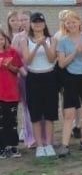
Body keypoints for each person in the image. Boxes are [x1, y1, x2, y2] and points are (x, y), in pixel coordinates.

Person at [56, 11, 82, 156]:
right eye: (68, 22)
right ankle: (65, 145)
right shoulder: (62, 41)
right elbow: (61, 64)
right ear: (65, 25)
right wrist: (74, 53)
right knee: (69, 113)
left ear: (79, 22)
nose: (71, 24)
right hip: (70, 78)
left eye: (74, 21)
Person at [18, 12, 59, 158]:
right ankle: (39, 146)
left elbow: (52, 58)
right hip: (33, 77)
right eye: (35, 22)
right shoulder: (25, 40)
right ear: (31, 24)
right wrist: (36, 46)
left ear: (44, 23)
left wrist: (44, 45)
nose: (37, 24)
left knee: (49, 112)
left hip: (49, 76)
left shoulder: (52, 39)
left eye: (40, 22)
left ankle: (48, 144)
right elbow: (27, 61)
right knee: (35, 113)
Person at [9, 11, 34, 148]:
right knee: (26, 106)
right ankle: (29, 136)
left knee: (37, 104)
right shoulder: (18, 37)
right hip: (23, 74)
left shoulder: (37, 36)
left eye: (25, 19)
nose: (22, 22)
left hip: (38, 73)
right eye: (20, 20)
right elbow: (13, 56)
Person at [0, 29, 23, 158]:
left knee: (12, 121)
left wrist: (9, 66)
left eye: (1, 39)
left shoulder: (12, 52)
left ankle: (12, 146)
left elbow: (17, 69)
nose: (0, 42)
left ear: (6, 39)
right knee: (1, 122)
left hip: (11, 93)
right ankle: (2, 147)